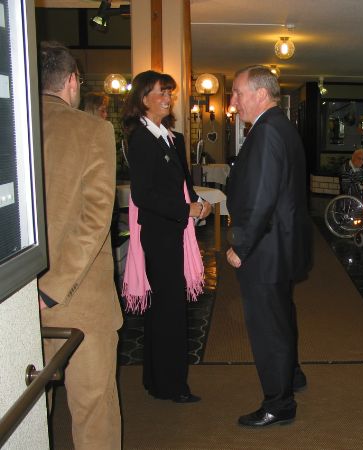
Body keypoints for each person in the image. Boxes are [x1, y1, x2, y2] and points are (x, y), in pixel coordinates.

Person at [37, 41, 123, 449]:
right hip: (79, 299)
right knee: (93, 411)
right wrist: (50, 291)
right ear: (72, 81)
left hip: (16, 300)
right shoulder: (92, 130)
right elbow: (94, 220)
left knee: (28, 412)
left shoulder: (11, 127)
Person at [226, 65, 313, 427]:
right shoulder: (280, 126)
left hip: (265, 247)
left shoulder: (267, 131)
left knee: (268, 327)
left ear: (261, 94)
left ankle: (279, 404)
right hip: (280, 244)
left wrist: (241, 246)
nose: (233, 101)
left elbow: (262, 197)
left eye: (237, 93)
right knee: (281, 316)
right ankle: (291, 375)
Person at [121, 70, 211, 403]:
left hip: (174, 231)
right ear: (143, 98)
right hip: (159, 235)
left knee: (164, 309)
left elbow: (183, 183)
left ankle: (156, 380)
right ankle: (172, 385)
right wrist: (186, 209)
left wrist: (199, 204)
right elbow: (143, 195)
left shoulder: (173, 138)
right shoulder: (141, 139)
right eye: (161, 92)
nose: (168, 98)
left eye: (169, 92)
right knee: (169, 311)